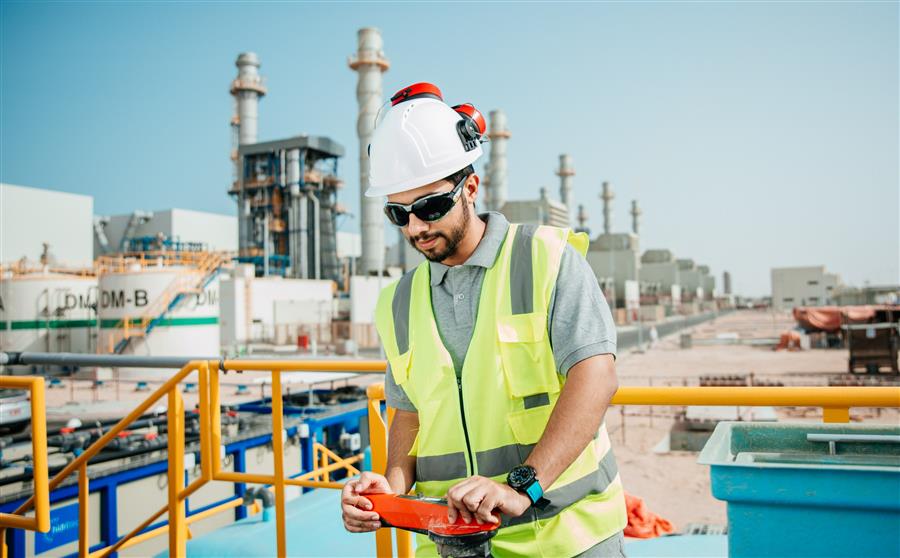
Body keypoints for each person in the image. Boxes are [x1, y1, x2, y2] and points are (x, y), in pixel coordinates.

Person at [341, 83, 627, 557]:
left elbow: (596, 378)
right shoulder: (397, 302)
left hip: (567, 537)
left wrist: (522, 488)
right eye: (398, 213)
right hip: (452, 542)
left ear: (470, 188)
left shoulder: (545, 258)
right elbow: (410, 413)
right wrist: (389, 487)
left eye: (429, 207)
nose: (415, 227)